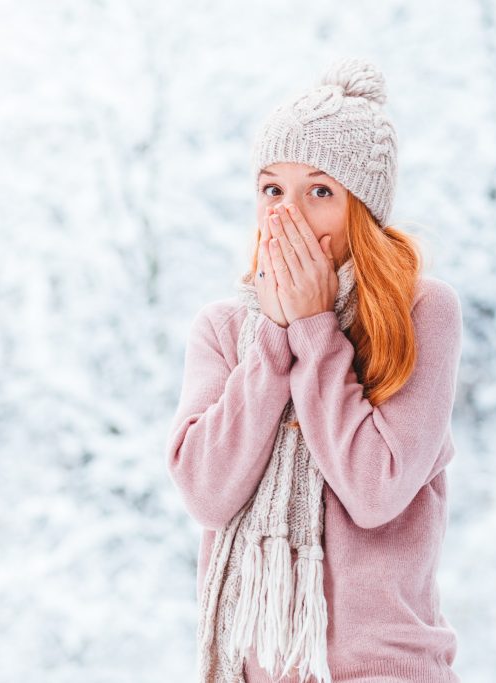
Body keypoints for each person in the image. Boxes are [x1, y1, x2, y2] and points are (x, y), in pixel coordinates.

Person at [165, 56, 463, 683]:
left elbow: (376, 491)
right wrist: (273, 341)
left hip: (385, 669)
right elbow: (207, 493)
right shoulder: (224, 331)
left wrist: (315, 332)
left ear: (363, 207)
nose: (289, 215)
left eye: (319, 191)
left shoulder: (420, 314)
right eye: (273, 189)